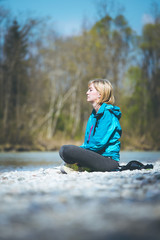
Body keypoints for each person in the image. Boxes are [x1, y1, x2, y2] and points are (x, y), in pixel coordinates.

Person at [59, 78, 122, 172]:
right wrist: (80, 152)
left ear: (100, 94)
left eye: (90, 90)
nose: (87, 92)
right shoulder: (93, 115)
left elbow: (98, 143)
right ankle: (81, 166)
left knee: (66, 150)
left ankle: (80, 166)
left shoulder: (108, 114)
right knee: (64, 151)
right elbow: (88, 142)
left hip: (108, 160)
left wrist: (79, 151)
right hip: (96, 156)